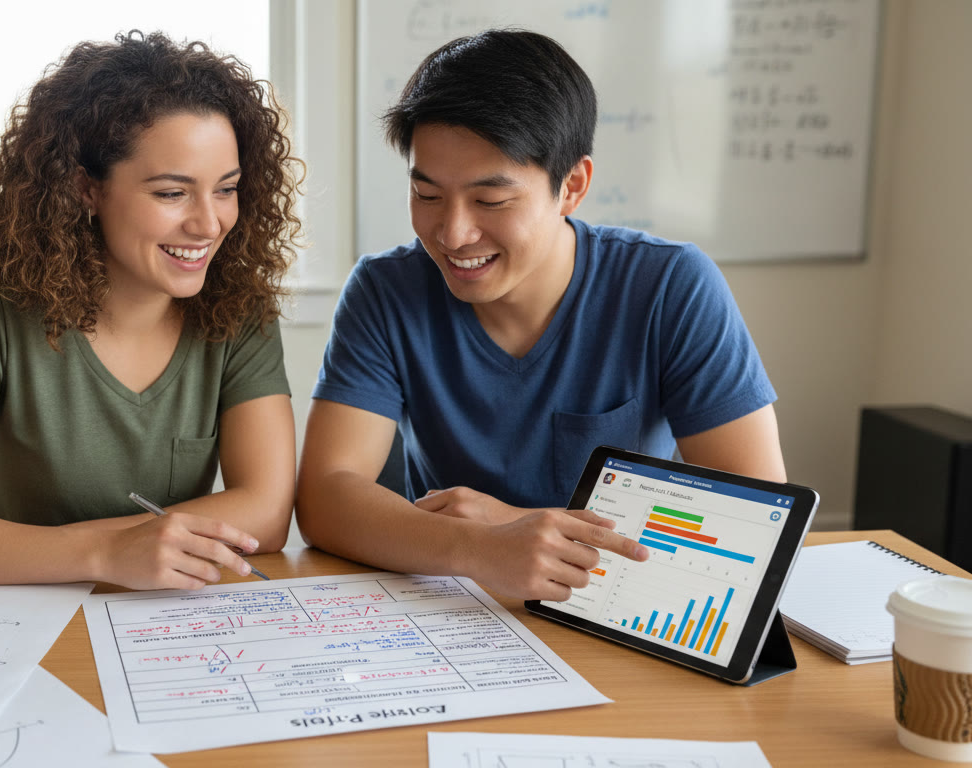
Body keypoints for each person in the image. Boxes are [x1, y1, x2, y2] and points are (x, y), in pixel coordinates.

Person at [296, 29, 786, 602]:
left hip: (629, 603)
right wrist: (478, 550)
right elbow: (327, 497)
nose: (453, 233)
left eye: (491, 201)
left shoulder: (670, 286)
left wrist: (515, 523)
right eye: (427, 195)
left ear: (572, 186)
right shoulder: (385, 291)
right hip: (461, 609)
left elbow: (757, 517)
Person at [0, 31, 302, 590]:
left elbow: (266, 514)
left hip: (165, 623)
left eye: (226, 189)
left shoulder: (240, 307)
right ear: (85, 189)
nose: (209, 223)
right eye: (172, 193)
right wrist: (105, 552)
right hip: (10, 611)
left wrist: (136, 551)